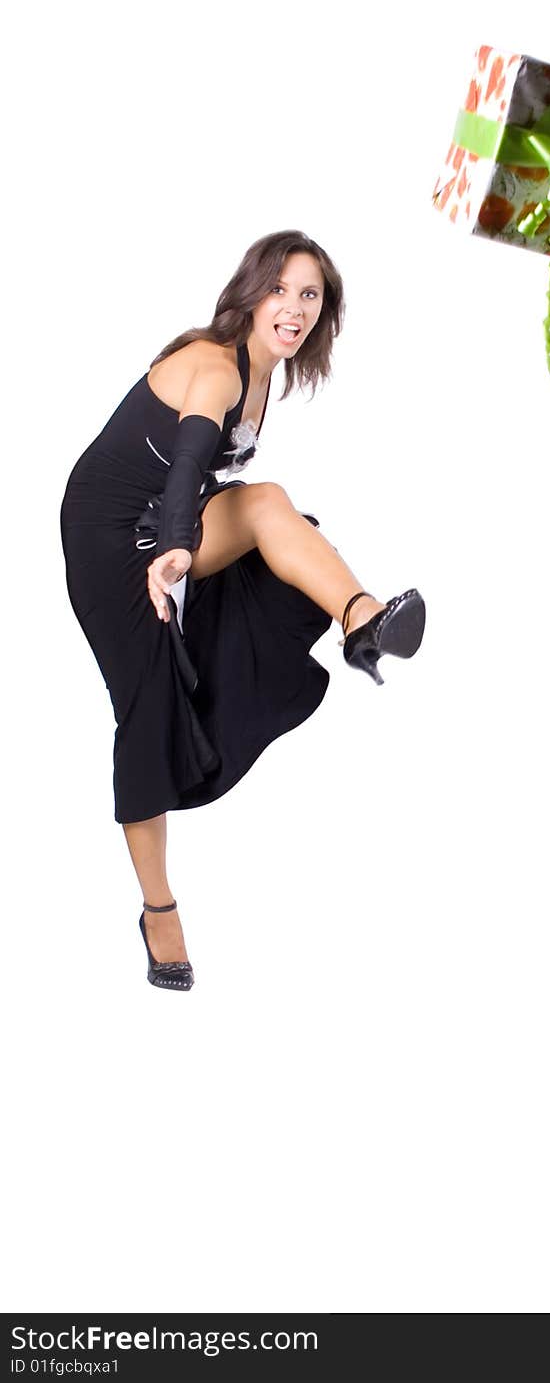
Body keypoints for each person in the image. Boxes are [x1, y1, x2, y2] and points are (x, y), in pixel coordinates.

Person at [60, 229, 425, 992]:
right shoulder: (216, 368)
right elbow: (192, 457)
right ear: (251, 293)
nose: (293, 308)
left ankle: (363, 620)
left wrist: (180, 541)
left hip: (168, 527)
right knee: (148, 710)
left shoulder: (267, 376)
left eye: (310, 296)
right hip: (108, 539)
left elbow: (205, 486)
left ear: (323, 313)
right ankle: (158, 910)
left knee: (267, 505)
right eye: (281, 290)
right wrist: (176, 550)